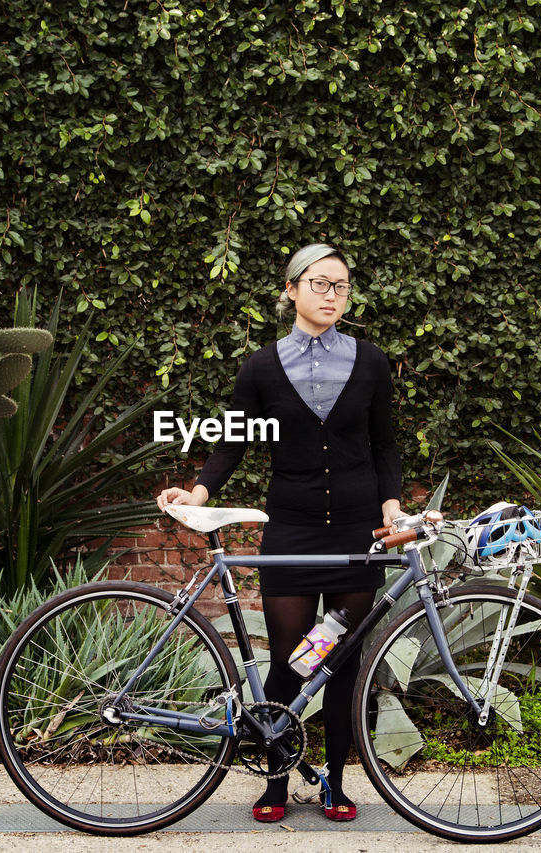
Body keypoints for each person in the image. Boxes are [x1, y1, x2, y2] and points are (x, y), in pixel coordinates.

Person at [156, 243, 403, 823]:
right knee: (291, 661)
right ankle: (274, 780)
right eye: (320, 284)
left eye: (341, 286)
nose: (332, 295)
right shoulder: (261, 367)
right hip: (291, 533)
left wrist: (391, 505)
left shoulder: (370, 361)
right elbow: (234, 440)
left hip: (355, 534)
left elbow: (384, 443)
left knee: (340, 660)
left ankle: (336, 784)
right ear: (291, 290)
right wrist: (198, 493)